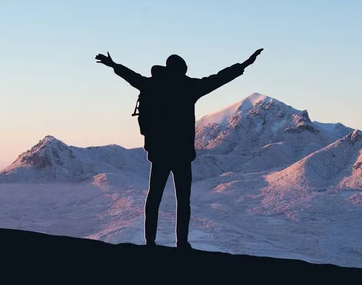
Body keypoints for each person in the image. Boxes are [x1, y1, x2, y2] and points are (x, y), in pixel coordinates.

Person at [95, 48, 264, 249]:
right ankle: (181, 243)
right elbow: (219, 79)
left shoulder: (152, 85)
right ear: (181, 70)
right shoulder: (189, 87)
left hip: (159, 152)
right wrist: (244, 65)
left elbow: (131, 76)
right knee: (183, 200)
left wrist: (113, 65)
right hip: (182, 154)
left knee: (154, 197)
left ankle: (150, 242)